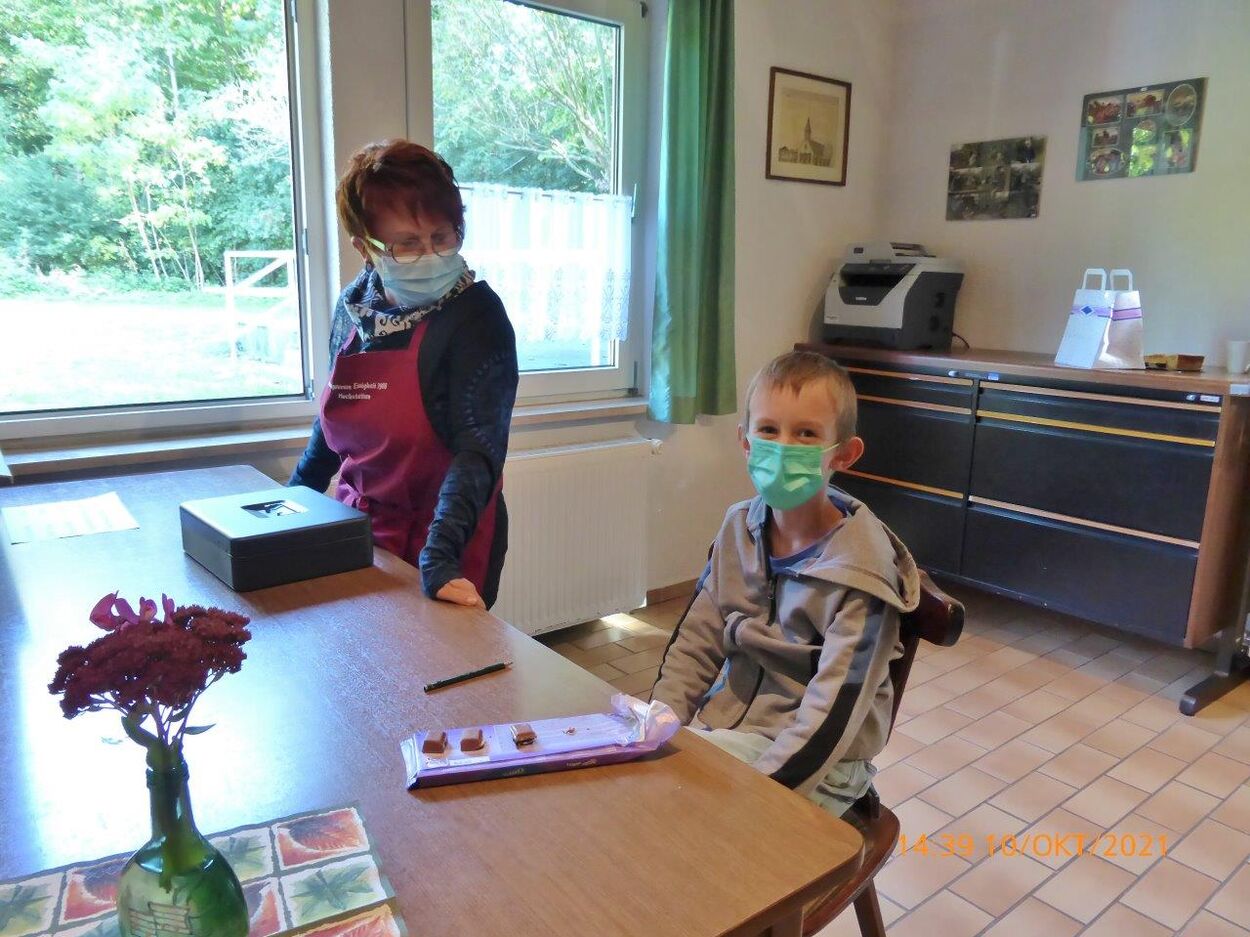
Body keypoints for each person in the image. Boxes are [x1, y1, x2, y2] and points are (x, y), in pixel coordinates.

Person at [650, 351, 918, 816]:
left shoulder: (863, 572)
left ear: (844, 454)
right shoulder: (739, 528)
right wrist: (656, 726)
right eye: (769, 430)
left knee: (680, 817)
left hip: (821, 764)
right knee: (641, 789)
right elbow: (696, 642)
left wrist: (762, 796)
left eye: (806, 434)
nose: (783, 446)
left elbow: (832, 716)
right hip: (733, 730)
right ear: (746, 441)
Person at [290, 140, 518, 610]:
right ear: (365, 248)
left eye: (443, 236)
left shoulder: (477, 317)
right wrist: (291, 504)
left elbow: (479, 450)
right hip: (357, 529)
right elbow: (332, 422)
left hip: (445, 535)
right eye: (408, 244)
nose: (430, 255)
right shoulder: (354, 310)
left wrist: (440, 560)